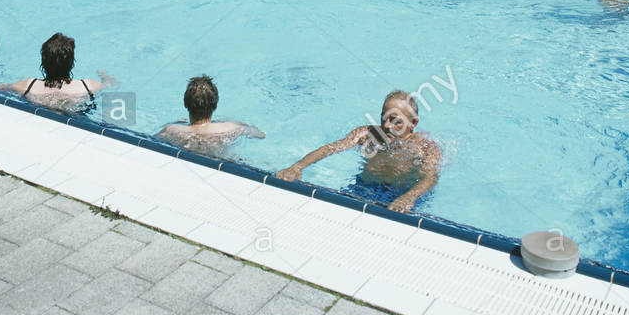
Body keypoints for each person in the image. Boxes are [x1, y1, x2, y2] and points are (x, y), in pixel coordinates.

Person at [276, 91, 440, 214]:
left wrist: (408, 198)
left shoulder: (426, 147)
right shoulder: (367, 134)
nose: (387, 126)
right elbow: (331, 148)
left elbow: (431, 176)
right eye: (384, 118)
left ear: (413, 123)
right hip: (364, 187)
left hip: (402, 193)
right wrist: (297, 167)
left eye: (395, 121)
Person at [0, 33, 109, 110]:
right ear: (71, 62)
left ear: (43, 61)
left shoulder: (28, 86)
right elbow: (109, 85)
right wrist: (104, 76)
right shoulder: (88, 87)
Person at [156, 76, 265, 152]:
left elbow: (153, 142)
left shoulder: (172, 130)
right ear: (215, 105)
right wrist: (240, 124)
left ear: (185, 103)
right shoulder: (230, 128)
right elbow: (260, 135)